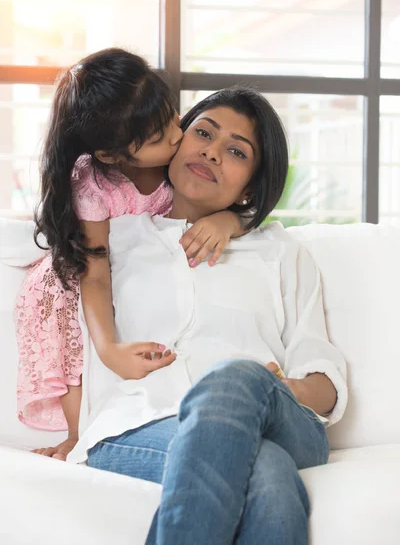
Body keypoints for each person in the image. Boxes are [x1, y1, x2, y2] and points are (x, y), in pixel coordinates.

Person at [68, 87, 347, 544]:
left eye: (236, 151)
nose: (212, 152)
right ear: (174, 140)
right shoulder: (116, 238)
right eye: (203, 133)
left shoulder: (279, 251)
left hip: (276, 415)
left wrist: (271, 388)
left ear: (252, 184)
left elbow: (323, 376)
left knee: (233, 378)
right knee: (269, 475)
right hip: (134, 426)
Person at [13, 48, 244, 461]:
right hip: (83, 271)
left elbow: (237, 196)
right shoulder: (94, 182)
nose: (177, 136)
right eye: (158, 138)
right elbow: (94, 271)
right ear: (112, 154)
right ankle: (77, 434)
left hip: (139, 268)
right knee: (67, 310)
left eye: (173, 117)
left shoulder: (180, 151)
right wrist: (108, 347)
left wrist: (229, 220)